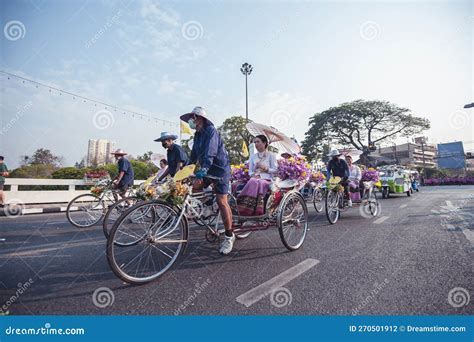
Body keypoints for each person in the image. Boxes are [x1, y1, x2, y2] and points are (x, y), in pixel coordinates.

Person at [180, 106, 234, 255]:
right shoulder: (197, 135)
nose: (190, 121)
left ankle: (229, 236)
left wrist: (203, 169)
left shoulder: (211, 131)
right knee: (196, 186)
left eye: (193, 118)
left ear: (200, 118)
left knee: (222, 201)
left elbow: (211, 151)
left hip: (220, 169)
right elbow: (193, 156)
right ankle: (209, 206)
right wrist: (185, 170)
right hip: (207, 168)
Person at [237, 135, 277, 216]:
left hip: (267, 180)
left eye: (258, 141)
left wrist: (266, 169)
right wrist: (253, 174)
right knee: (240, 184)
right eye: (255, 142)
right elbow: (250, 172)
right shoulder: (253, 157)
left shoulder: (271, 155)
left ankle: (251, 210)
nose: (255, 144)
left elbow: (276, 171)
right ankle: (241, 206)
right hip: (255, 178)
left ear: (264, 143)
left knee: (255, 182)